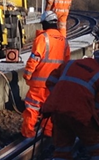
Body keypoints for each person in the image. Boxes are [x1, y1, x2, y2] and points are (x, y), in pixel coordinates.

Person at [42, 49, 99, 160]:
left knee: (62, 147)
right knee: (98, 148)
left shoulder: (70, 64)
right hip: (80, 115)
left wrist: (60, 97)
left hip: (58, 111)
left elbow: (50, 80)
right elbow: (97, 106)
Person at [21, 10, 71, 138]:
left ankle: (28, 133)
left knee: (32, 109)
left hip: (38, 83)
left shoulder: (42, 38)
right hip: (55, 84)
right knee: (50, 110)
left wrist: (27, 74)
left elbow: (35, 58)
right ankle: (48, 134)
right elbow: (66, 63)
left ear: (44, 23)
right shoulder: (64, 41)